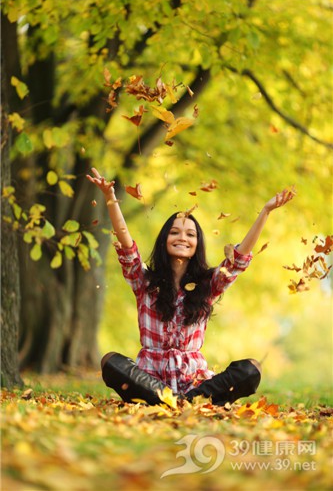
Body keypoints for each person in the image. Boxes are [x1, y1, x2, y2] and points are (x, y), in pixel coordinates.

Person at [86, 168, 295, 406]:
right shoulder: (144, 282)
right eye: (174, 232)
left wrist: (265, 211)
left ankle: (186, 401)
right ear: (164, 240)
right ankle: (172, 400)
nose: (182, 238)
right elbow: (126, 247)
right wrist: (110, 198)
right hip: (151, 384)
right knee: (110, 361)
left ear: (197, 244)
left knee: (251, 369)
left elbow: (238, 260)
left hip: (196, 385)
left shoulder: (208, 284)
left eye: (190, 234)